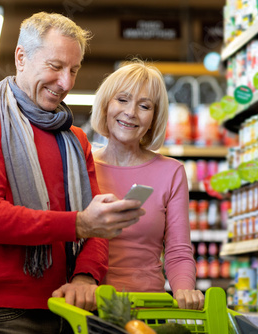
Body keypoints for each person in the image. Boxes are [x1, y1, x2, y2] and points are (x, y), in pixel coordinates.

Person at [0, 12, 145, 334]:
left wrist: (85, 276)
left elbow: (97, 224)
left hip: (71, 310)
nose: (66, 83)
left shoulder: (75, 139)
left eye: (74, 70)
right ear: (21, 57)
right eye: (55, 67)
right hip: (2, 315)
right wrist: (79, 223)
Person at [90, 59, 205, 310]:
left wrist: (185, 290)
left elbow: (178, 249)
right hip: (88, 305)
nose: (130, 112)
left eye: (144, 106)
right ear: (106, 104)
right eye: (122, 100)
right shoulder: (82, 165)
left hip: (148, 307)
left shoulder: (171, 172)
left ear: (153, 119)